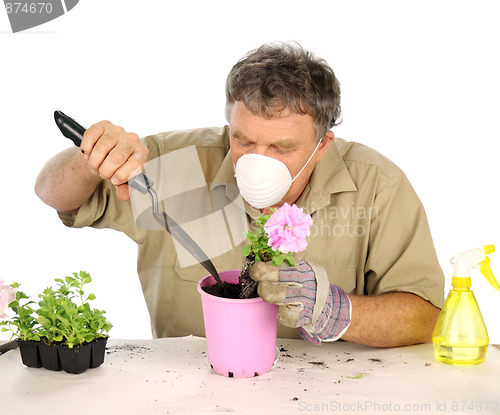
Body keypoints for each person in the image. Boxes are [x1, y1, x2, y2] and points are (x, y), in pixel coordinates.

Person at [35, 42, 444, 347]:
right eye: (243, 140)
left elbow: (427, 316)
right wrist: (89, 158)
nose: (256, 161)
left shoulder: (377, 186)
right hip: (185, 389)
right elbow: (55, 194)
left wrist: (339, 311)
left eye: (282, 148)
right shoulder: (174, 164)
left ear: (323, 145)